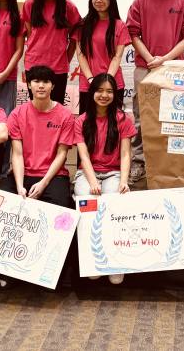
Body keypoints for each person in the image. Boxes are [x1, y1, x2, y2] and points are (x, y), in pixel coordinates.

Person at [126, 0, 184, 181]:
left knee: (174, 118)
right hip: (144, 68)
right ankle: (139, 162)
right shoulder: (140, 1)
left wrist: (164, 60)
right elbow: (133, 34)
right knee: (141, 118)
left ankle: (168, 165)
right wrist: (151, 60)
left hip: (175, 70)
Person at [74, 74, 135, 285]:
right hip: (87, 173)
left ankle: (115, 262)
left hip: (113, 172)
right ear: (92, 93)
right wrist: (92, 181)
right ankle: (93, 260)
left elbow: (126, 154)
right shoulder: (81, 120)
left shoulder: (123, 119)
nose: (104, 95)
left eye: (109, 91)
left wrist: (124, 181)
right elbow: (83, 156)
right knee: (86, 201)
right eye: (100, 91)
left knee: (113, 202)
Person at [3, 65, 74, 208]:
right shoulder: (17, 114)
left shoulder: (66, 116)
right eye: (36, 81)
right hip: (24, 173)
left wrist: (44, 183)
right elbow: (17, 155)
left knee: (61, 208)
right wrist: (19, 186)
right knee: (3, 202)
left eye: (46, 82)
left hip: (54, 175)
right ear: (29, 84)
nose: (41, 86)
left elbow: (62, 154)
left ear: (53, 86)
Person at [21, 0, 81, 105]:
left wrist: (66, 58)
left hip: (58, 68)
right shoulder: (30, 4)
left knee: (56, 108)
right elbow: (29, 34)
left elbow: (75, 37)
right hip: (33, 65)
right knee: (36, 107)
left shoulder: (69, 7)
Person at [74, 0, 130, 113]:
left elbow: (117, 57)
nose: (98, 0)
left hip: (113, 84)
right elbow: (81, 55)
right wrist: (91, 80)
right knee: (88, 124)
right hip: (88, 84)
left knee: (112, 124)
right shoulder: (82, 25)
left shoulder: (120, 26)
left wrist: (106, 82)